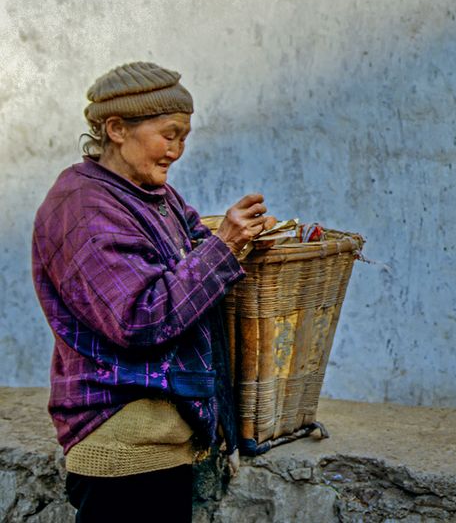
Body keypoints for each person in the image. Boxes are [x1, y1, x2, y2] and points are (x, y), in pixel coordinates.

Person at [32, 62, 276, 522]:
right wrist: (224, 246)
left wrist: (238, 240)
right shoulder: (82, 208)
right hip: (123, 453)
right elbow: (140, 319)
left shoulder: (151, 195)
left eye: (185, 136)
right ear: (117, 129)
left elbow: (197, 249)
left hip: (159, 449)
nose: (177, 150)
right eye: (169, 134)